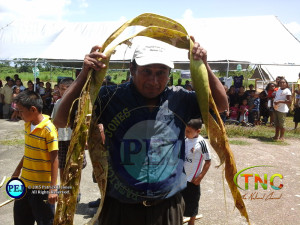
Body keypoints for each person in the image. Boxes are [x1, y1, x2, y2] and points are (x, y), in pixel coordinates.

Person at [53, 37, 228, 225]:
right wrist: (84, 74)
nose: (154, 81)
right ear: (132, 69)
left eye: (161, 73)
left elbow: (221, 105)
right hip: (120, 207)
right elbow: (61, 120)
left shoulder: (180, 98)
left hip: (167, 206)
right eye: (146, 71)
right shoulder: (111, 97)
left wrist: (204, 65)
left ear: (169, 73)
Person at [12, 90, 58, 225]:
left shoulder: (48, 130)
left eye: (21, 111)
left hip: (42, 188)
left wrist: (53, 188)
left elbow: (54, 159)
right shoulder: (28, 124)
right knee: (21, 219)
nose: (19, 114)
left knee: (45, 220)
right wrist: (17, 170)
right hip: (24, 184)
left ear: (33, 109)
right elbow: (28, 151)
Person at [182, 118, 211, 225]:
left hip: (193, 180)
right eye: (185, 130)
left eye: (189, 131)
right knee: (180, 200)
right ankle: (179, 218)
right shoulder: (185, 140)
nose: (186, 133)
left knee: (193, 202)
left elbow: (208, 161)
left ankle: (192, 222)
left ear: (198, 131)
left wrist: (200, 177)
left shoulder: (201, 143)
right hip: (182, 178)